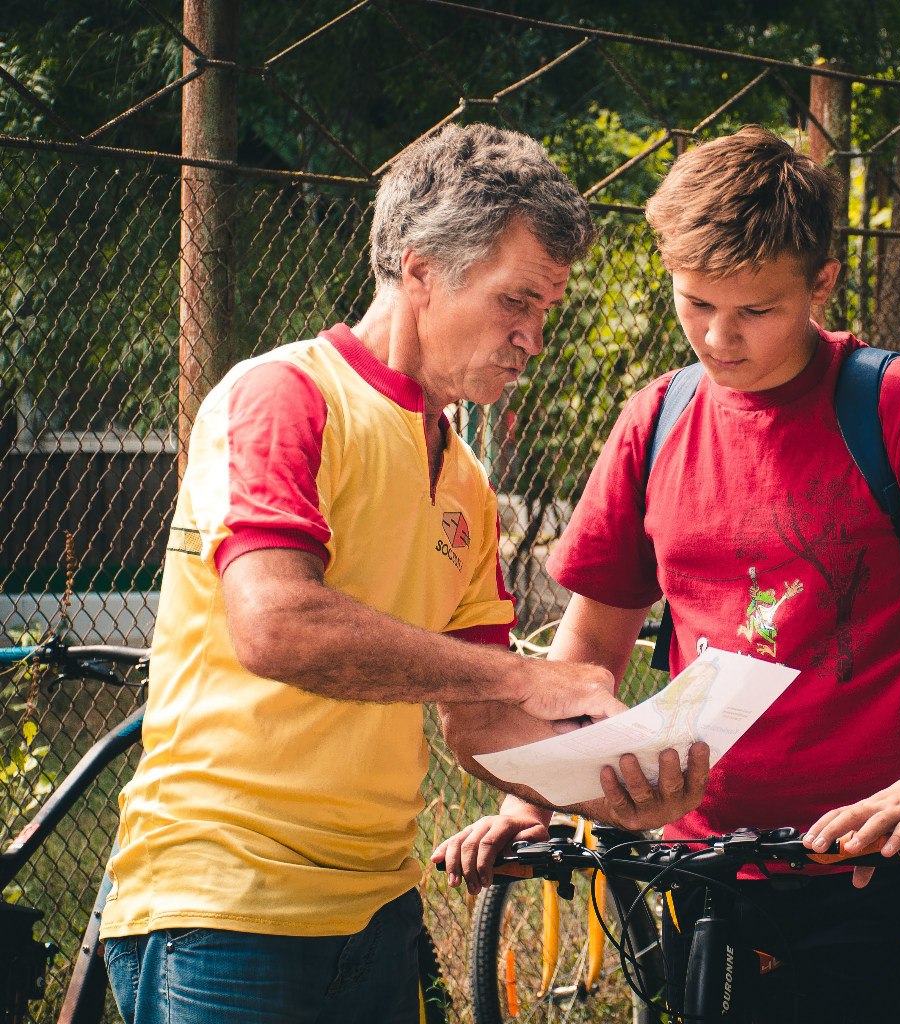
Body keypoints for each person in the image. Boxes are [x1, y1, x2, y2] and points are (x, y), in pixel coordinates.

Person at [434, 126, 900, 1023]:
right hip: (701, 867)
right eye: (694, 304)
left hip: (884, 864)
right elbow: (590, 644)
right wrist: (533, 795)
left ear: (820, 285)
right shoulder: (654, 420)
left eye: (755, 311)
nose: (717, 338)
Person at [98, 123, 706, 1024]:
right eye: (515, 303)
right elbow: (276, 624)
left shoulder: (464, 477)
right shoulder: (283, 396)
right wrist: (526, 674)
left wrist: (609, 790)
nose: (531, 338)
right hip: (225, 906)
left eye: (544, 313)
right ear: (420, 270)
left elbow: (480, 726)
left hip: (378, 909)